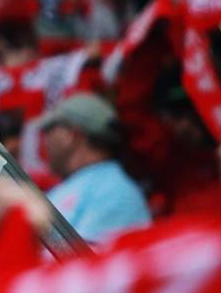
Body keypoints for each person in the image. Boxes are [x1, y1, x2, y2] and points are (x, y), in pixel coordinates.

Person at [38, 93, 151, 243]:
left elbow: (83, 261)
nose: (45, 140)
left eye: (49, 129)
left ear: (71, 135)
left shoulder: (114, 190)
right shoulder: (97, 185)